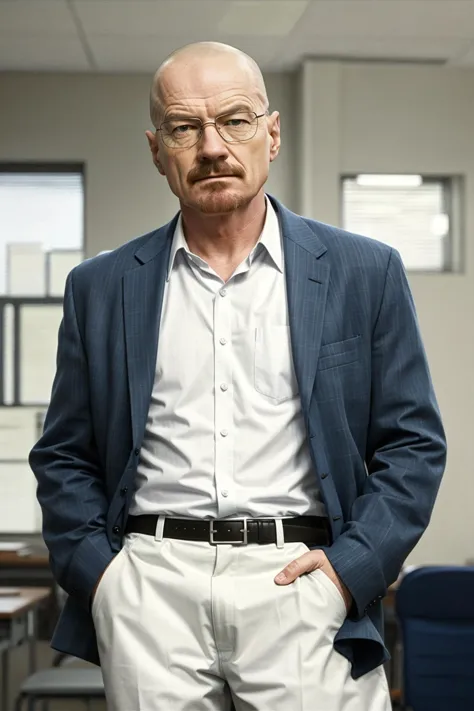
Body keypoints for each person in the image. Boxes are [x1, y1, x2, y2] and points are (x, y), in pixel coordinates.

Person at [29, 41, 446, 711]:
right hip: (150, 588)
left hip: (302, 584)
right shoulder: (100, 288)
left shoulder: (364, 273)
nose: (212, 146)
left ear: (271, 134)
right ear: (156, 148)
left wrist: (350, 571)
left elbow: (414, 444)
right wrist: (104, 579)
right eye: (185, 127)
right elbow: (64, 453)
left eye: (234, 120)